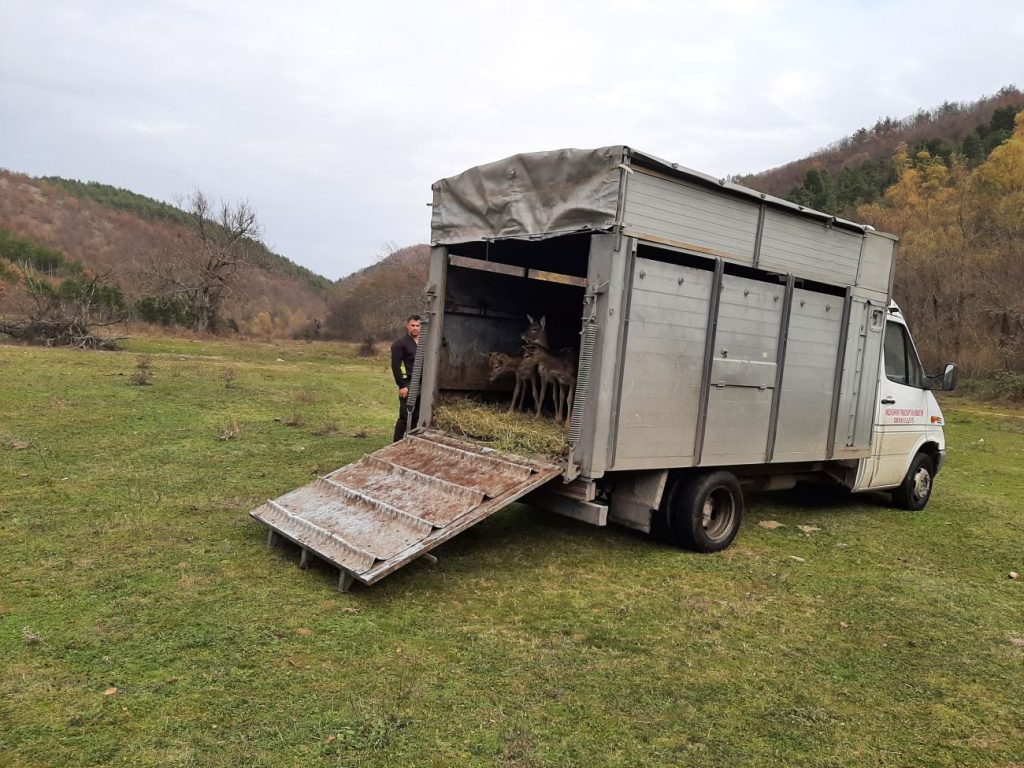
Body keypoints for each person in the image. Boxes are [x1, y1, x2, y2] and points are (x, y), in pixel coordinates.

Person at [390, 315, 421, 441]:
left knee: (417, 416)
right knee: (405, 415)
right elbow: (396, 365)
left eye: (418, 325)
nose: (415, 328)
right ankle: (395, 443)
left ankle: (412, 441)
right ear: (407, 326)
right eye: (412, 325)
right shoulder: (400, 343)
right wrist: (402, 385)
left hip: (423, 383)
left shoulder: (425, 343)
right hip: (408, 383)